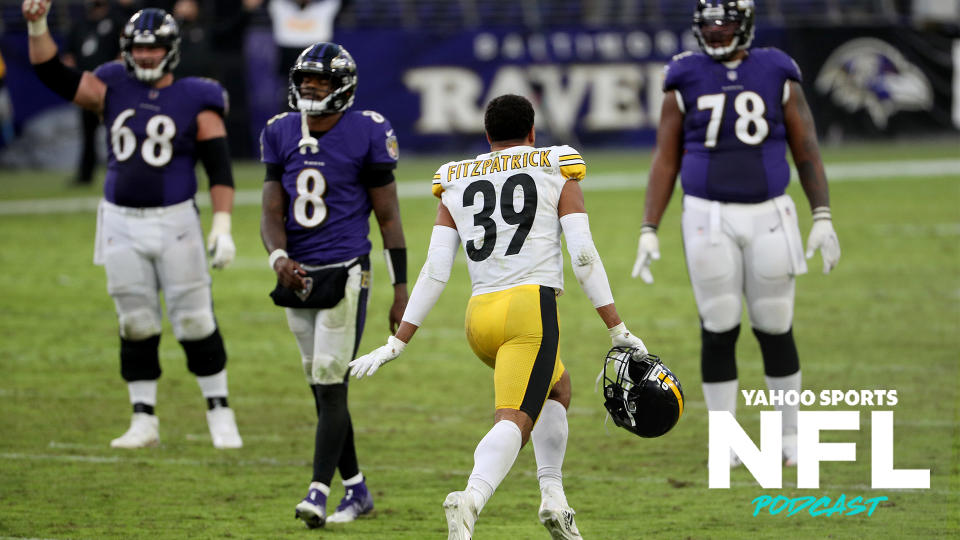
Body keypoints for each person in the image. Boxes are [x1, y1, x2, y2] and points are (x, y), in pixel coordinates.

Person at [348, 94, 649, 540]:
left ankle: (554, 500)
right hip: (528, 312)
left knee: (557, 387)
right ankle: (470, 500)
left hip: (479, 318)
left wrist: (399, 341)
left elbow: (435, 270)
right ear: (532, 133)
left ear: (487, 137)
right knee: (514, 419)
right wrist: (617, 328)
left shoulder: (454, 178)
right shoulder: (554, 164)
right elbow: (583, 257)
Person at [22, 2, 242, 449]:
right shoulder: (109, 84)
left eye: (154, 47)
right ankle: (143, 419)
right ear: (127, 49)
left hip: (175, 220)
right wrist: (38, 24)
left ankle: (220, 410)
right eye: (139, 48)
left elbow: (219, 168)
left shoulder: (197, 95)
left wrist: (222, 223)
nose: (145, 56)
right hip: (119, 220)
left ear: (170, 49)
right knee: (136, 321)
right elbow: (51, 73)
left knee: (196, 320)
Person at [630, 0, 840, 467]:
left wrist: (821, 213)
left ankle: (789, 438)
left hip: (770, 213)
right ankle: (724, 441)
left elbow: (806, 147)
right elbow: (666, 158)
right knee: (719, 326)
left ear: (745, 26)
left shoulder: (776, 70)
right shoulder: (683, 76)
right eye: (709, 25)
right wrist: (650, 227)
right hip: (708, 215)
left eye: (725, 24)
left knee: (775, 325)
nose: (717, 32)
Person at [258, 42, 408, 528]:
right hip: (296, 276)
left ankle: (318, 494)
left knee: (328, 378)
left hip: (346, 270)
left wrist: (399, 287)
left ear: (341, 86)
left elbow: (388, 218)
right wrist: (278, 257)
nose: (309, 87)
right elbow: (271, 211)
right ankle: (358, 489)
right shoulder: (280, 131)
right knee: (324, 389)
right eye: (305, 80)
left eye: (320, 81)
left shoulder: (367, 130)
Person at [62, 0, 124, 185]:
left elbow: (124, 55)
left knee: (119, 132)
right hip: (86, 89)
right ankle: (85, 175)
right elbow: (69, 58)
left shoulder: (116, 22)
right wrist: (73, 86)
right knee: (87, 135)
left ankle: (125, 173)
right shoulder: (79, 25)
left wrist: (116, 81)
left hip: (112, 90)